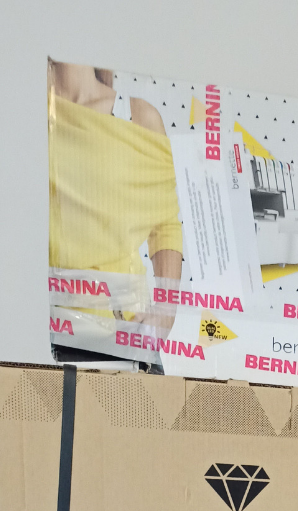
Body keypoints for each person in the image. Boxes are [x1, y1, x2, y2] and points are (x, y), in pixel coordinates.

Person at [48, 61, 183, 334]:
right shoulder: (13, 111)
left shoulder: (136, 116)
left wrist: (166, 311)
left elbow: (165, 223)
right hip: (30, 323)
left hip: (121, 329)